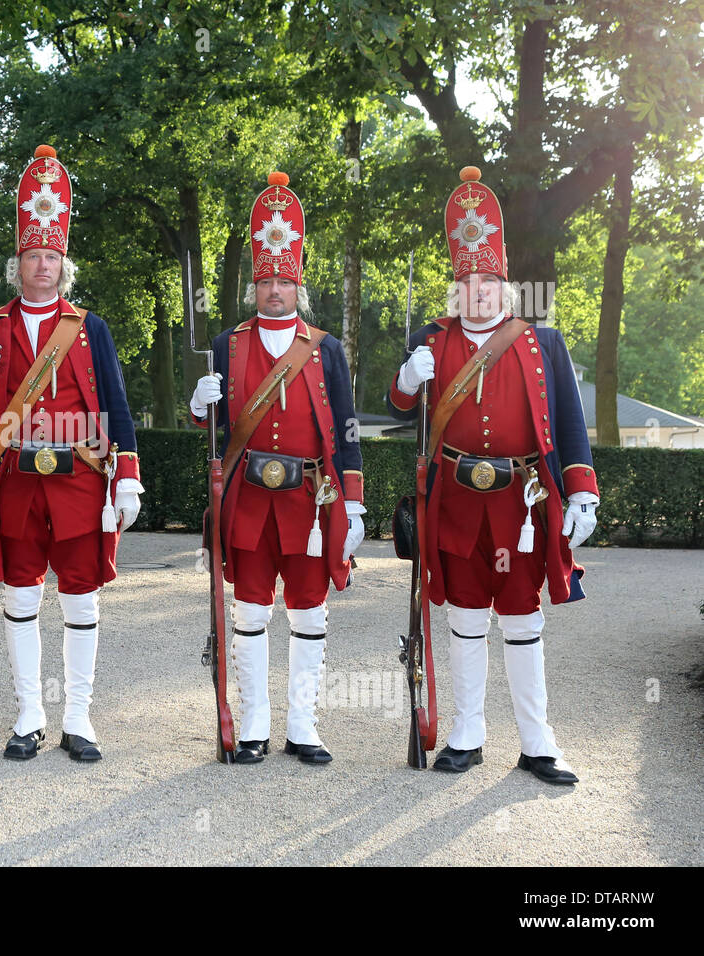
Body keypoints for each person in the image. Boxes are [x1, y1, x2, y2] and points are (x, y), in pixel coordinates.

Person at [387, 166, 598, 785]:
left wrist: (581, 491)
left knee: (524, 619)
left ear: (505, 284)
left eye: (490, 280)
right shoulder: (430, 339)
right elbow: (403, 409)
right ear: (457, 286)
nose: (479, 290)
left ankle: (538, 743)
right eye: (469, 280)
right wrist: (406, 379)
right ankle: (466, 734)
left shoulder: (541, 342)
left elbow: (569, 423)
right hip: (454, 500)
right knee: (465, 615)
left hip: (522, 504)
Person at [0, 145, 143, 762]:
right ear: (19, 263)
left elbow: (115, 402)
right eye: (33, 255)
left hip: (80, 479)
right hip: (15, 480)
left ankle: (80, 718)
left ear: (64, 264)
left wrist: (128, 479)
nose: (42, 265)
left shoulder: (89, 326)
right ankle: (29, 715)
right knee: (20, 596)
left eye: (51, 256)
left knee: (81, 596)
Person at [189, 171, 365, 765]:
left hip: (309, 500)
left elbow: (345, 427)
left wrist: (355, 500)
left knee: (310, 610)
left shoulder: (327, 347)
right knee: (251, 609)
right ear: (254, 284)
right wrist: (198, 406)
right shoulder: (226, 344)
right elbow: (213, 430)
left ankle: (303, 726)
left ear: (299, 284)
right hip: (248, 498)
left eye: (284, 281)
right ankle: (256, 724)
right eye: (265, 280)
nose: (274, 291)